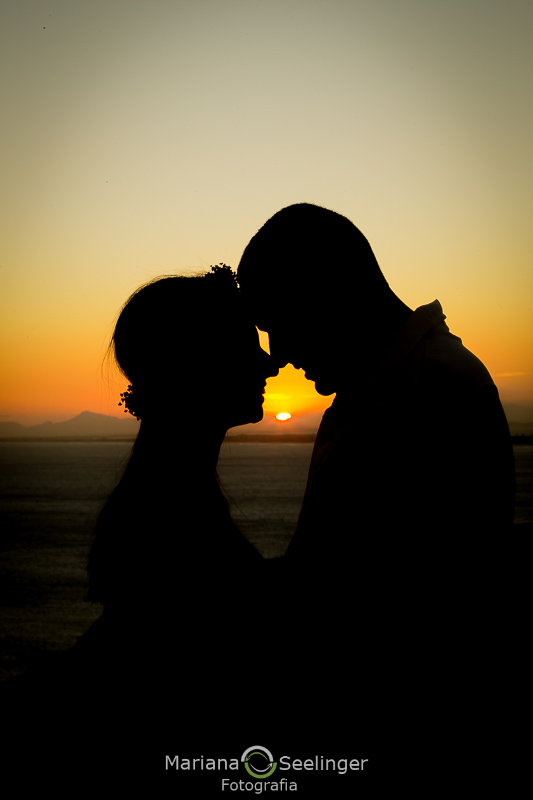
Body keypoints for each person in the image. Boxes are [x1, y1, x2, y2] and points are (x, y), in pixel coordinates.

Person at [237, 203, 516, 774]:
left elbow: (397, 598)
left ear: (327, 292)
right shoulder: (381, 388)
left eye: (279, 322)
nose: (279, 355)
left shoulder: (432, 388)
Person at [2, 266, 280, 779]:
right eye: (247, 346)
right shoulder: (175, 510)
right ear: (199, 364)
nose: (271, 363)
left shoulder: (160, 491)